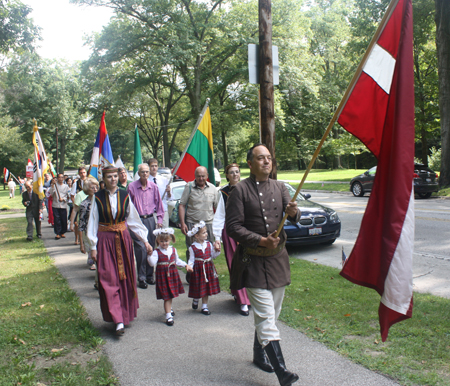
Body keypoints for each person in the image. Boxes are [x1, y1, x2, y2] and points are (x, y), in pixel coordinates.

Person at [226, 144, 301, 386]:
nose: (266, 162)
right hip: (253, 262)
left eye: (269, 158)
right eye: (261, 158)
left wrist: (293, 211)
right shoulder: (240, 191)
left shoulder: (280, 187)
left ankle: (259, 354)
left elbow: (293, 214)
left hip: (278, 261)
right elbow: (233, 228)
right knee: (266, 317)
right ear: (250, 163)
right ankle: (283, 372)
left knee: (272, 316)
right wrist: (260, 240)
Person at [87, 166, 152, 335]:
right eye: (109, 177)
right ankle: (116, 318)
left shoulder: (125, 196)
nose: (113, 179)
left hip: (123, 240)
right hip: (105, 240)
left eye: (115, 176)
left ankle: (123, 317)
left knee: (125, 277)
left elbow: (134, 220)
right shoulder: (98, 198)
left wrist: (145, 240)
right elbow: (92, 222)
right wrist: (93, 246)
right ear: (104, 179)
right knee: (108, 278)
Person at [213, 163, 251, 316]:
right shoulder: (223, 193)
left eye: (237, 172)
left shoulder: (248, 188)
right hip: (230, 233)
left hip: (247, 232)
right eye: (231, 172)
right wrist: (217, 238)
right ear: (227, 176)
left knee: (249, 265)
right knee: (235, 264)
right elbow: (220, 216)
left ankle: (247, 295)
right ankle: (243, 301)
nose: (235, 174)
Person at [178, 166, 220, 280]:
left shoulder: (213, 188)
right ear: (195, 176)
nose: (201, 178)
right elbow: (182, 205)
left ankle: (209, 273)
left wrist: (218, 226)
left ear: (207, 176)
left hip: (208, 224)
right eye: (198, 176)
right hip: (192, 224)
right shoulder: (189, 187)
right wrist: (183, 223)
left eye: (203, 176)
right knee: (192, 250)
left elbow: (218, 208)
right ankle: (192, 274)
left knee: (209, 250)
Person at [127, 163, 164, 288]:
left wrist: (159, 220)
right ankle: (141, 277)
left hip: (150, 220)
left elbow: (159, 204)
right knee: (141, 248)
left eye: (147, 172)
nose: (145, 174)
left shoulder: (153, 187)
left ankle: (150, 276)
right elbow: (128, 205)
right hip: (137, 221)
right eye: (143, 172)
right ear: (138, 173)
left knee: (150, 248)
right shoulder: (131, 187)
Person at [147, 228, 193, 326]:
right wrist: (149, 255)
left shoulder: (173, 250)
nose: (164, 243)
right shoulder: (156, 252)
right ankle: (168, 316)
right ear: (158, 241)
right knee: (167, 296)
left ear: (170, 239)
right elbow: (152, 263)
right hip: (163, 276)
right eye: (162, 241)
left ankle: (169, 308)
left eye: (166, 241)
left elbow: (177, 261)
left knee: (170, 294)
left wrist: (185, 265)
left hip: (172, 275)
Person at [187, 221, 221, 315]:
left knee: (205, 287)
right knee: (198, 287)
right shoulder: (192, 247)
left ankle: (204, 306)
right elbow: (191, 259)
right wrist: (189, 266)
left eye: (206, 232)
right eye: (204, 232)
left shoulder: (209, 244)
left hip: (208, 268)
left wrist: (217, 251)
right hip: (198, 270)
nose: (206, 234)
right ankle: (196, 299)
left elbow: (213, 255)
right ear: (197, 236)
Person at [77, 178, 99, 271]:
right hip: (89, 232)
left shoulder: (100, 201)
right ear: (87, 189)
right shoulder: (84, 204)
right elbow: (81, 224)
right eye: (92, 187)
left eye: (96, 187)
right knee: (93, 253)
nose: (95, 189)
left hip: (100, 230)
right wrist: (81, 243)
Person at [147, 158, 172, 228]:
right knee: (154, 233)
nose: (154, 168)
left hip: (163, 210)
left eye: (156, 166)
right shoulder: (146, 181)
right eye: (152, 166)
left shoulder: (163, 180)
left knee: (165, 233)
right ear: (149, 167)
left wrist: (169, 192)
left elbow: (169, 197)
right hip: (152, 212)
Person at [48, 173, 70, 240]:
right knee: (57, 219)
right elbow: (51, 193)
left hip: (63, 205)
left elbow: (68, 196)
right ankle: (57, 233)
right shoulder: (54, 186)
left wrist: (63, 199)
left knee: (63, 219)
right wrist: (52, 185)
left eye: (62, 177)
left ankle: (62, 232)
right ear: (57, 178)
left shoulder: (66, 186)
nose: (60, 179)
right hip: (56, 205)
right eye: (59, 177)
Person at [71, 167, 88, 244]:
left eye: (84, 172)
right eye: (81, 173)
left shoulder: (89, 182)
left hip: (88, 206)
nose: (82, 174)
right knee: (77, 223)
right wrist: (76, 203)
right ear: (79, 174)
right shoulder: (76, 183)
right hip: (79, 205)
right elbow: (72, 195)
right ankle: (77, 238)